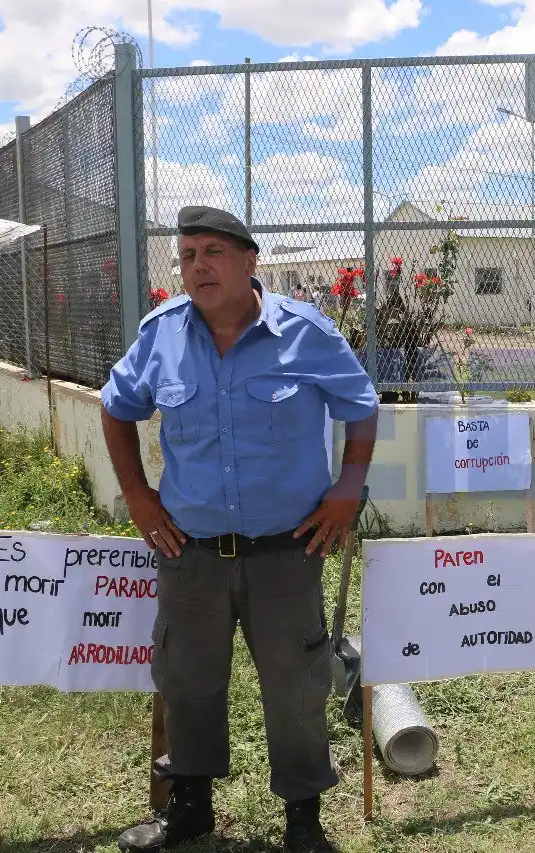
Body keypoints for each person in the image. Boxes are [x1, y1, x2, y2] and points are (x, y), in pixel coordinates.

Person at [99, 205, 379, 852]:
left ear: (250, 261)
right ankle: (190, 807)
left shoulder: (305, 333)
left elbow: (361, 407)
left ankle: (303, 819)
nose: (198, 266)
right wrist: (138, 496)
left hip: (286, 551)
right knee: (188, 681)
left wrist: (347, 490)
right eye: (188, 254)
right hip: (191, 553)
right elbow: (116, 409)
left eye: (213, 252)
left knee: (297, 686)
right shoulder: (161, 334)